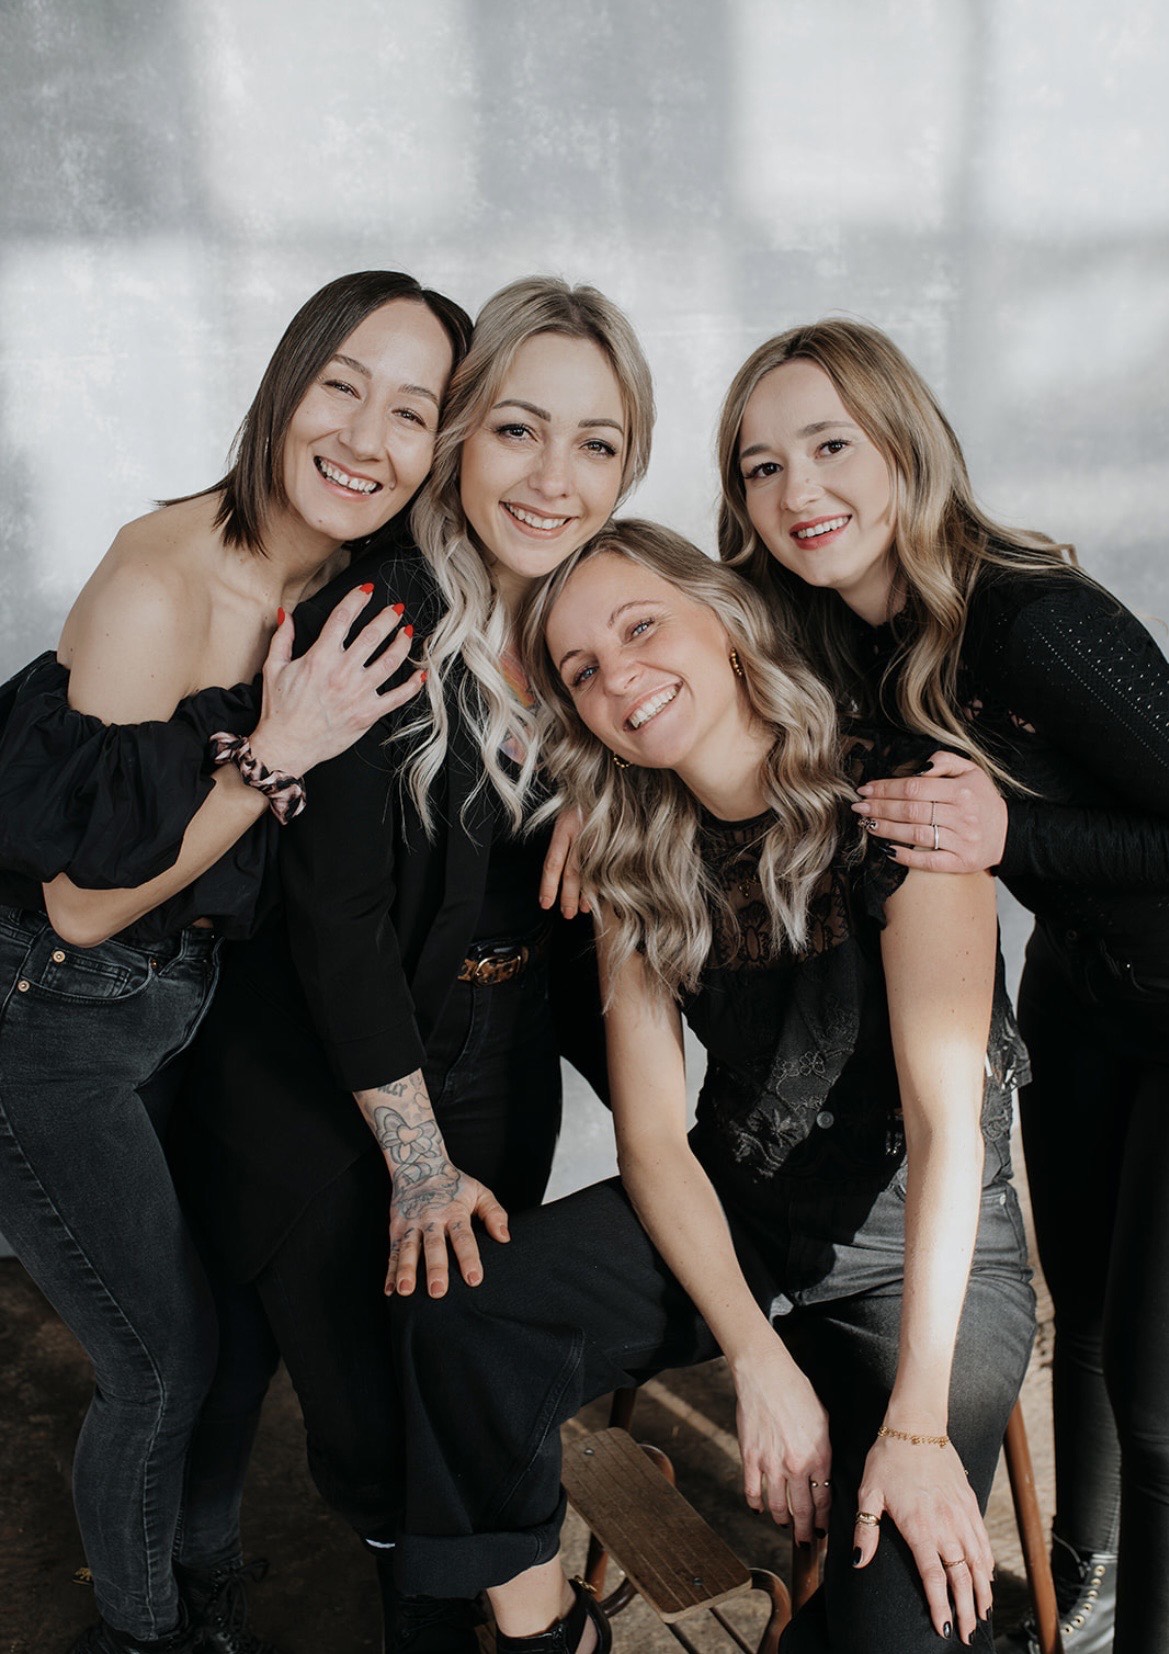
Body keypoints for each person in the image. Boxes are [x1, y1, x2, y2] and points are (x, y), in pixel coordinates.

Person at [383, 520, 1036, 1653]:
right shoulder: (628, 846)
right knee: (463, 1310)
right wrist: (755, 1356)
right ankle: (546, 1636)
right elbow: (650, 1138)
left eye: (641, 627)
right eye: (582, 670)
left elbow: (945, 1133)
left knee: (902, 1627)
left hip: (919, 1256)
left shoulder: (897, 800)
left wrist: (917, 1429)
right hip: (745, 1214)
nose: (620, 679)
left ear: (726, 620)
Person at [174, 275, 656, 1652]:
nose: (554, 478)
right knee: (385, 1440)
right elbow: (333, 927)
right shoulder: (378, 617)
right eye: (517, 429)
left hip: (497, 1063)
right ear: (458, 435)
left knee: (459, 1402)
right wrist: (420, 1166)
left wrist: (614, 795)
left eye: (596, 443)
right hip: (330, 1090)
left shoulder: (591, 625)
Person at [0, 268, 471, 1654]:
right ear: (283, 384)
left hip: (185, 1003)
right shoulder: (162, 581)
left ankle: (201, 1570)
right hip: (54, 1015)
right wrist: (278, 753)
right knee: (160, 1363)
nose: (366, 438)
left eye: (411, 412)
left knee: (226, 1325)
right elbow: (81, 909)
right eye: (341, 387)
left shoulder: (347, 577)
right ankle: (144, 1632)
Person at [715, 317, 1169, 1654]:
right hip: (1091, 992)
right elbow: (670, 672)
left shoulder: (1031, 623)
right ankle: (1082, 1584)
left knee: (1157, 1400)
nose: (797, 491)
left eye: (829, 446)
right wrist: (599, 804)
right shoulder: (832, 631)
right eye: (759, 466)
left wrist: (1014, 835)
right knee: (1085, 1315)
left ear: (904, 447)